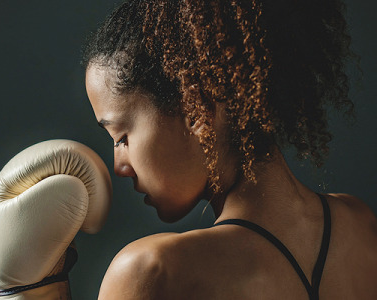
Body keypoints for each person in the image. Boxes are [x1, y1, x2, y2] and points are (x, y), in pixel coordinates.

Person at [82, 0, 377, 299]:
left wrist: (41, 286)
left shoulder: (152, 272)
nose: (119, 167)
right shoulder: (360, 222)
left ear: (199, 111)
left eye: (121, 137)